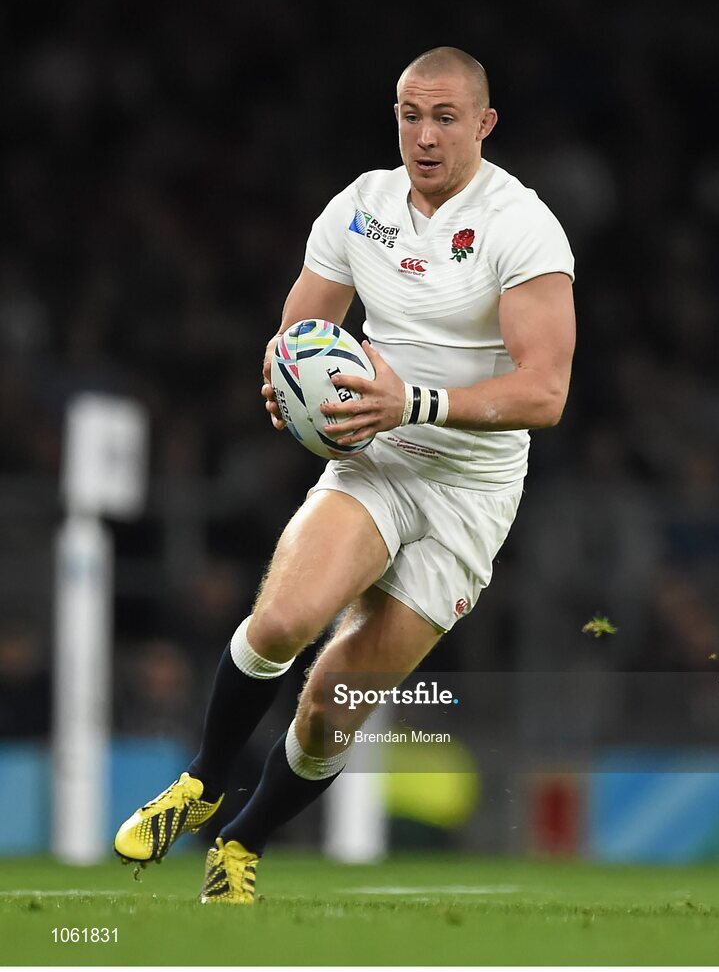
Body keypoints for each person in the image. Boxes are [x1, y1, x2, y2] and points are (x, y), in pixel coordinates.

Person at [114, 46, 576, 903]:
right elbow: (300, 330)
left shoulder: (522, 226)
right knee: (285, 617)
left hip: (470, 490)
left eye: (445, 117)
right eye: (410, 115)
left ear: (484, 124)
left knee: (333, 703)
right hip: (378, 454)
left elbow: (544, 392)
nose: (425, 135)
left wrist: (416, 403)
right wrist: (289, 380)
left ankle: (242, 845)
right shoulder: (360, 208)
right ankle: (203, 783)